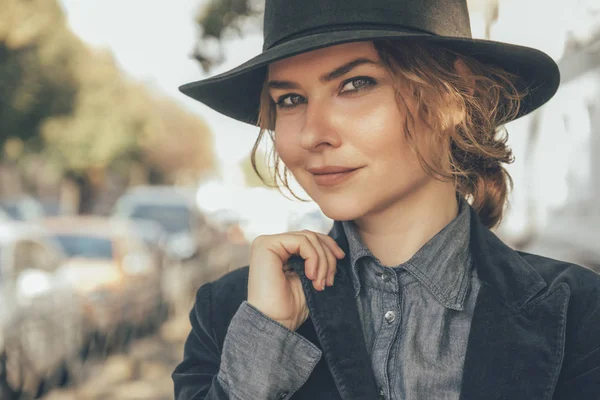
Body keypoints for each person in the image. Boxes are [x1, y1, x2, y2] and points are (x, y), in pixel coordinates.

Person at [172, 0, 600, 399]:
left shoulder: (578, 315)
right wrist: (264, 350)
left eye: (355, 85)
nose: (311, 133)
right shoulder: (231, 314)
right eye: (290, 99)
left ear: (454, 95)